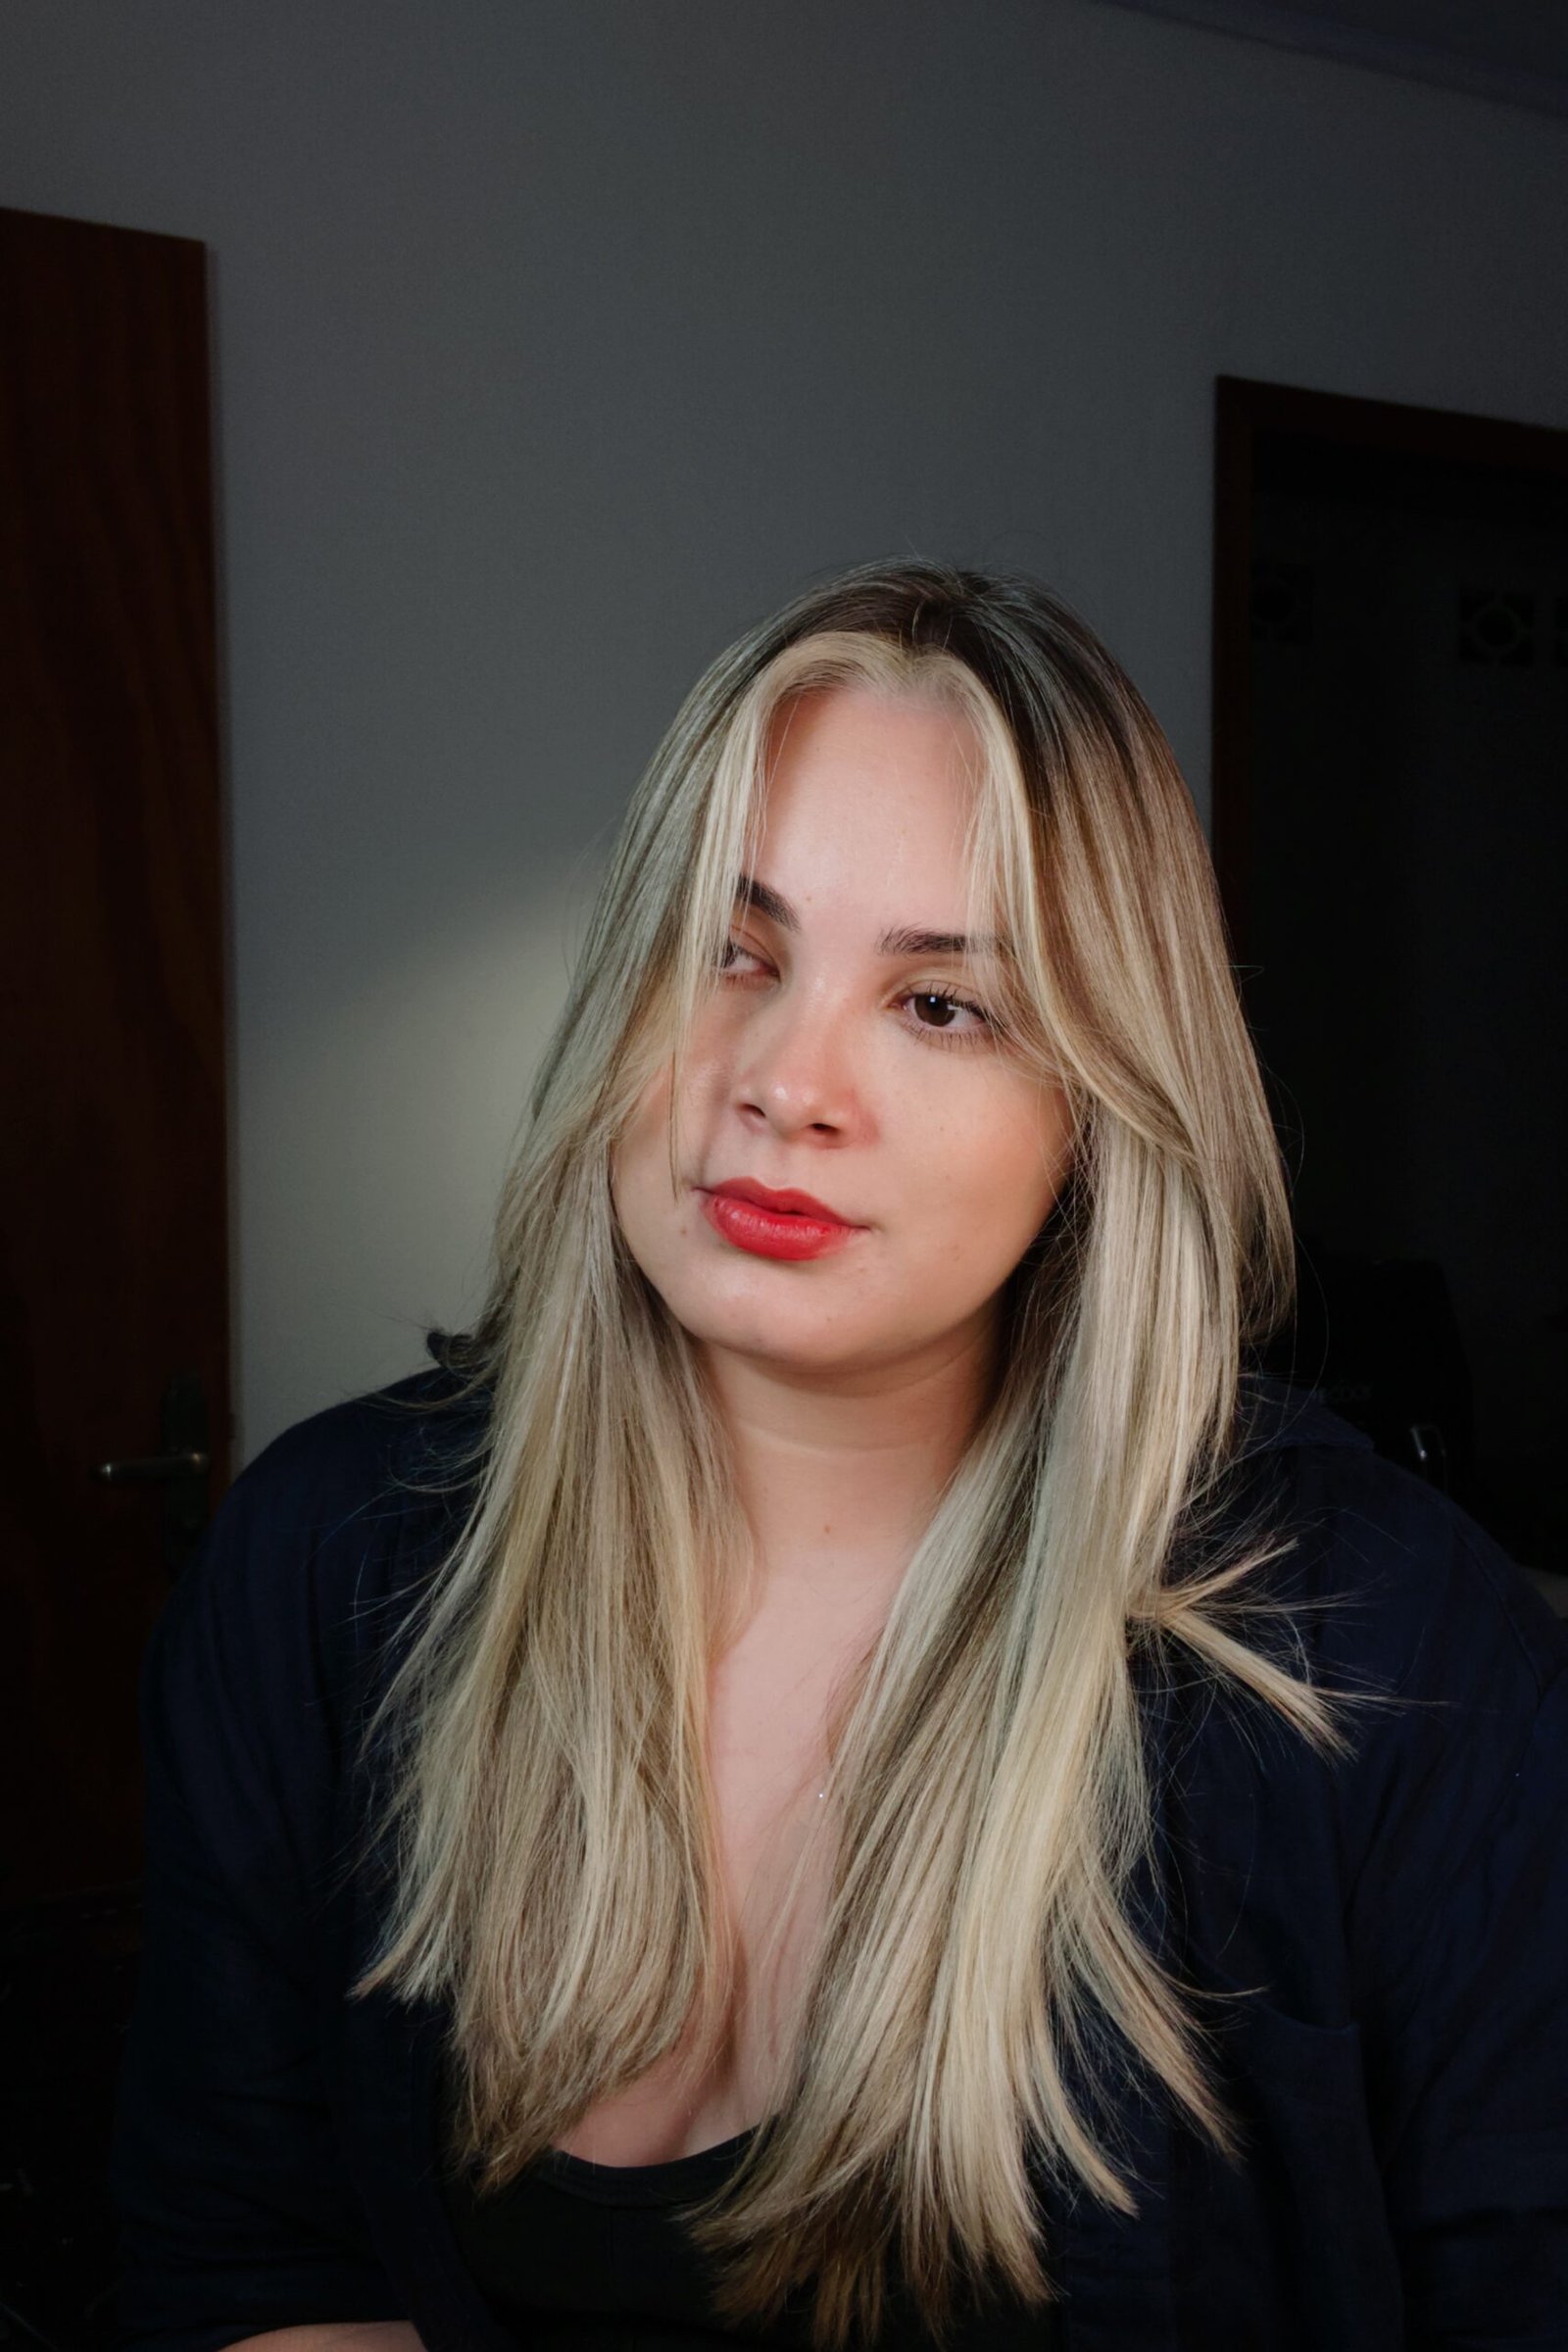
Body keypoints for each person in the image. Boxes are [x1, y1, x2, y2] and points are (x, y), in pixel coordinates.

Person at [112, 562, 1568, 2352]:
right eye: (728, 953)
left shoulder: (1403, 1659)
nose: (784, 1082)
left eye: (942, 1004)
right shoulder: (324, 1562)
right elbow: (250, 2261)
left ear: (1100, 1112)